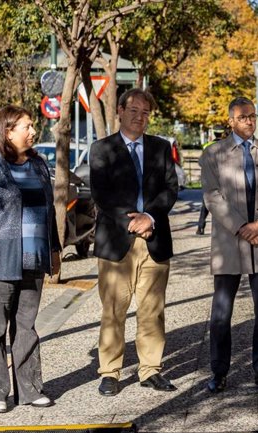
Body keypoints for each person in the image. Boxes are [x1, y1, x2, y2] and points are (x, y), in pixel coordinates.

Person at [90, 88, 179, 396]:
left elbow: (170, 189)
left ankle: (151, 369)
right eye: (134, 111)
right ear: (120, 112)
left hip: (154, 238)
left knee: (152, 309)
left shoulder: (160, 148)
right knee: (114, 309)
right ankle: (110, 372)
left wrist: (150, 218)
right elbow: (101, 195)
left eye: (145, 113)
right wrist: (132, 221)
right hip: (117, 241)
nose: (140, 118)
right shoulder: (102, 149)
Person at [0, 105, 61, 413]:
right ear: (7, 130)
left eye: (32, 126)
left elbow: (49, 210)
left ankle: (30, 389)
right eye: (26, 126)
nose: (33, 131)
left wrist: (54, 250)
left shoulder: (38, 163)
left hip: (33, 259)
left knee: (27, 326)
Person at [201, 96, 258, 393]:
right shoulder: (213, 154)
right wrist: (242, 227)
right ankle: (219, 371)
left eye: (252, 116)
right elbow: (212, 197)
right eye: (242, 117)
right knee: (222, 312)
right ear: (231, 121)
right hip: (229, 243)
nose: (249, 121)